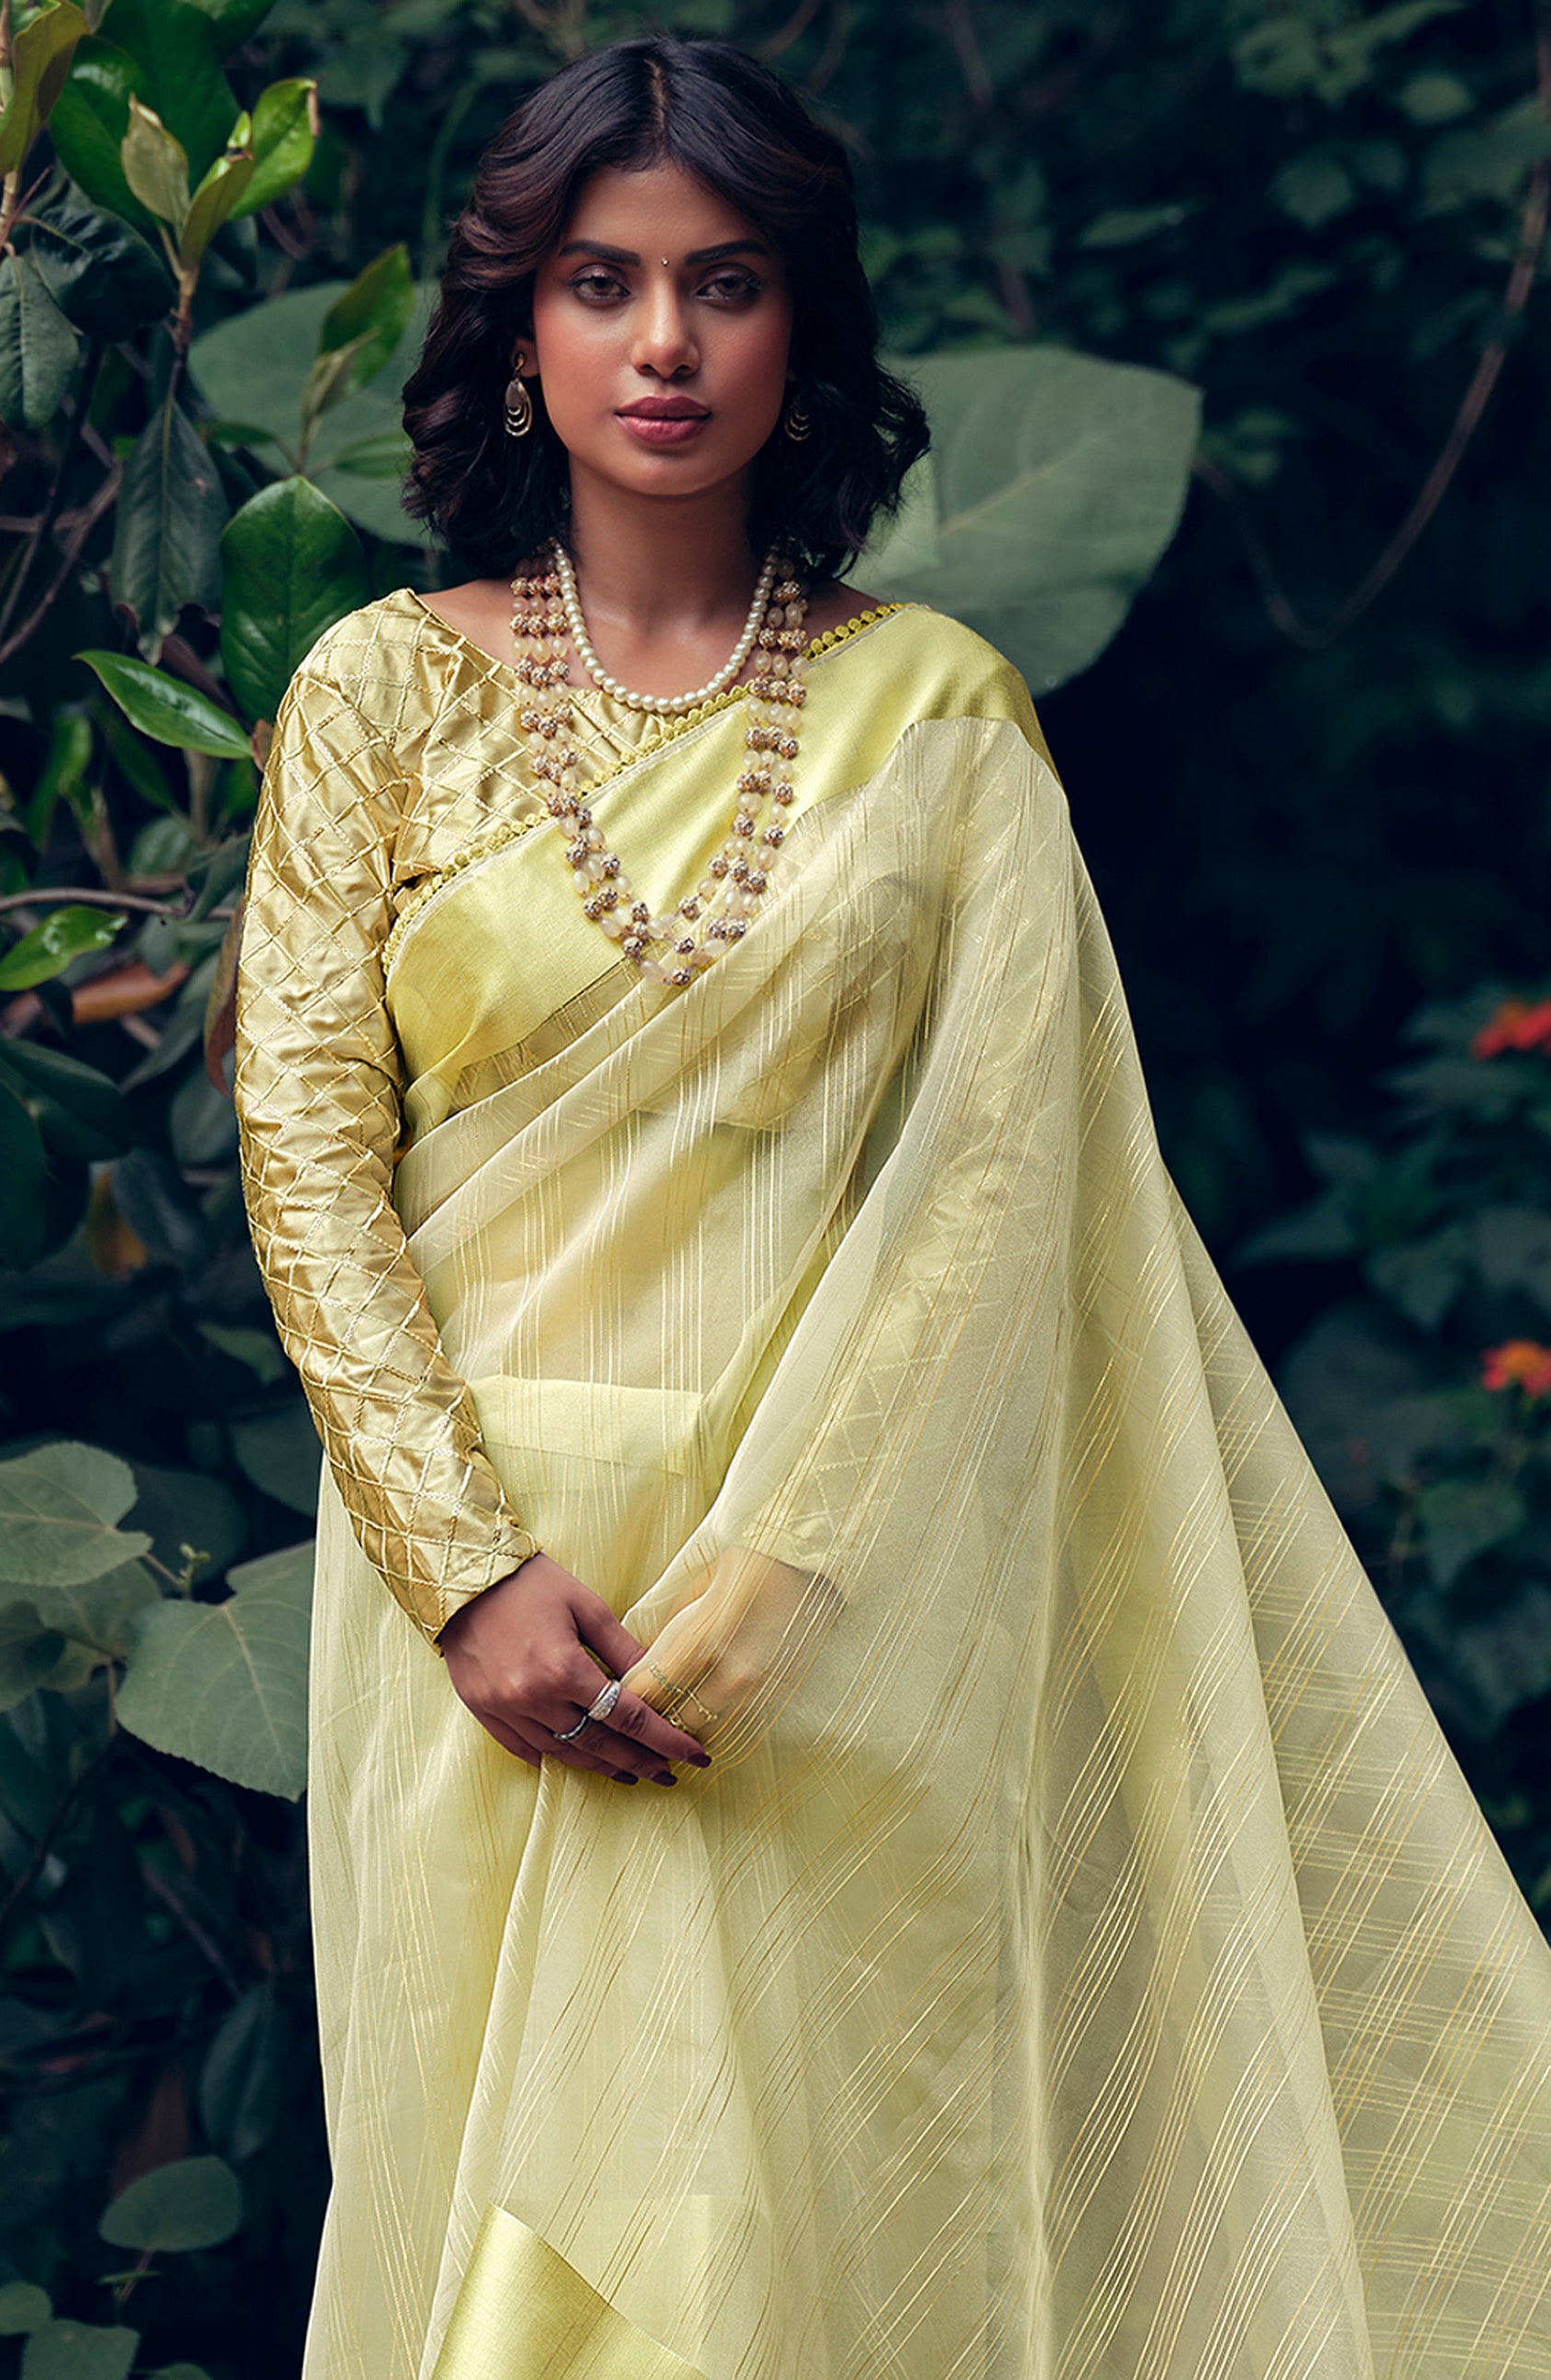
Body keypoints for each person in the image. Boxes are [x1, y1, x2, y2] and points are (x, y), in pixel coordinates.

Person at [233, 34, 1551, 2380]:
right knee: (507, 2222)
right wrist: (462, 1567)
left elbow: (1001, 1189)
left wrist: (786, 1576)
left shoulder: (936, 711)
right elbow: (307, 1162)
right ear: (518, 328)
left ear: (802, 329)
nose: (663, 342)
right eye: (603, 282)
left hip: (831, 1597)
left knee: (829, 2225)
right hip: (485, 1608)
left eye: (725, 282)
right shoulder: (374, 699)